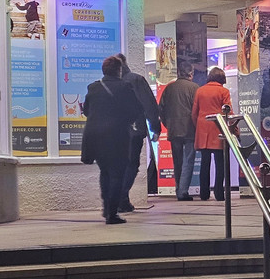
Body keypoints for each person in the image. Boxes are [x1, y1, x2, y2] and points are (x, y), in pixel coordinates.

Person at [80, 55, 144, 225]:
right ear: (119, 70)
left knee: (105, 172)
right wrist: (124, 120)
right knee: (117, 174)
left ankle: (106, 207)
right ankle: (112, 213)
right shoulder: (125, 87)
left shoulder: (93, 87)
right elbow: (136, 110)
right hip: (117, 137)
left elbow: (86, 111)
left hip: (95, 137)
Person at [116, 53, 160, 213]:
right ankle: (121, 197)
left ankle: (121, 199)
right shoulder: (136, 80)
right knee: (132, 165)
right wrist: (155, 128)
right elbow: (149, 105)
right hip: (133, 130)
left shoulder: (107, 83)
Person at [192, 67, 233, 201]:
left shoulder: (200, 91)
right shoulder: (224, 91)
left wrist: (198, 126)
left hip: (203, 129)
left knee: (205, 162)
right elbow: (228, 112)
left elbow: (194, 113)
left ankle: (204, 193)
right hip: (218, 128)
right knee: (220, 163)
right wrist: (234, 129)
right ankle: (219, 193)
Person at [158, 66, 199, 201]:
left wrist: (168, 124)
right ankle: (182, 191)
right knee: (188, 160)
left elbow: (161, 109)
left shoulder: (169, 88)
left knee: (177, 161)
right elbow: (197, 109)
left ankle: (178, 189)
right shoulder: (194, 88)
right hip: (190, 129)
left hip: (174, 130)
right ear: (191, 73)